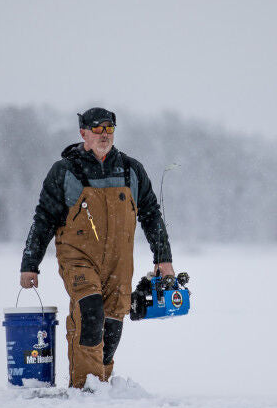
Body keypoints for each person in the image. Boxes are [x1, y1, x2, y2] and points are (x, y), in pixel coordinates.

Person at [20, 107, 175, 388]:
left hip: (119, 262)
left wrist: (163, 258)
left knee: (113, 324)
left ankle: (101, 385)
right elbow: (43, 219)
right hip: (78, 258)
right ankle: (84, 388)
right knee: (90, 313)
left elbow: (152, 215)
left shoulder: (131, 170)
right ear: (83, 133)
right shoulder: (65, 171)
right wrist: (30, 264)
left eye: (109, 128)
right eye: (97, 129)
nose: (104, 134)